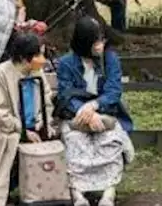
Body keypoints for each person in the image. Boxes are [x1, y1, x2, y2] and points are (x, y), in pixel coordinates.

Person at [55, 18, 135, 206]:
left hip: (104, 112)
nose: (101, 45)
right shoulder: (67, 63)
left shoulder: (110, 59)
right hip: (76, 117)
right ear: (85, 42)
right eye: (96, 41)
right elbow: (65, 95)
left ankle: (109, 193)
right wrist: (83, 111)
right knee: (75, 142)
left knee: (109, 141)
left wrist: (94, 106)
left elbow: (114, 91)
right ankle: (77, 194)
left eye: (102, 40)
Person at [0, 31, 53, 206]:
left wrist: (44, 123)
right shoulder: (0, 74)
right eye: (38, 54)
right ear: (24, 57)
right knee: (9, 142)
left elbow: (47, 101)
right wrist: (22, 131)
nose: (42, 59)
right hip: (7, 129)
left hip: (35, 126)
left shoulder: (37, 72)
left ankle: (42, 195)